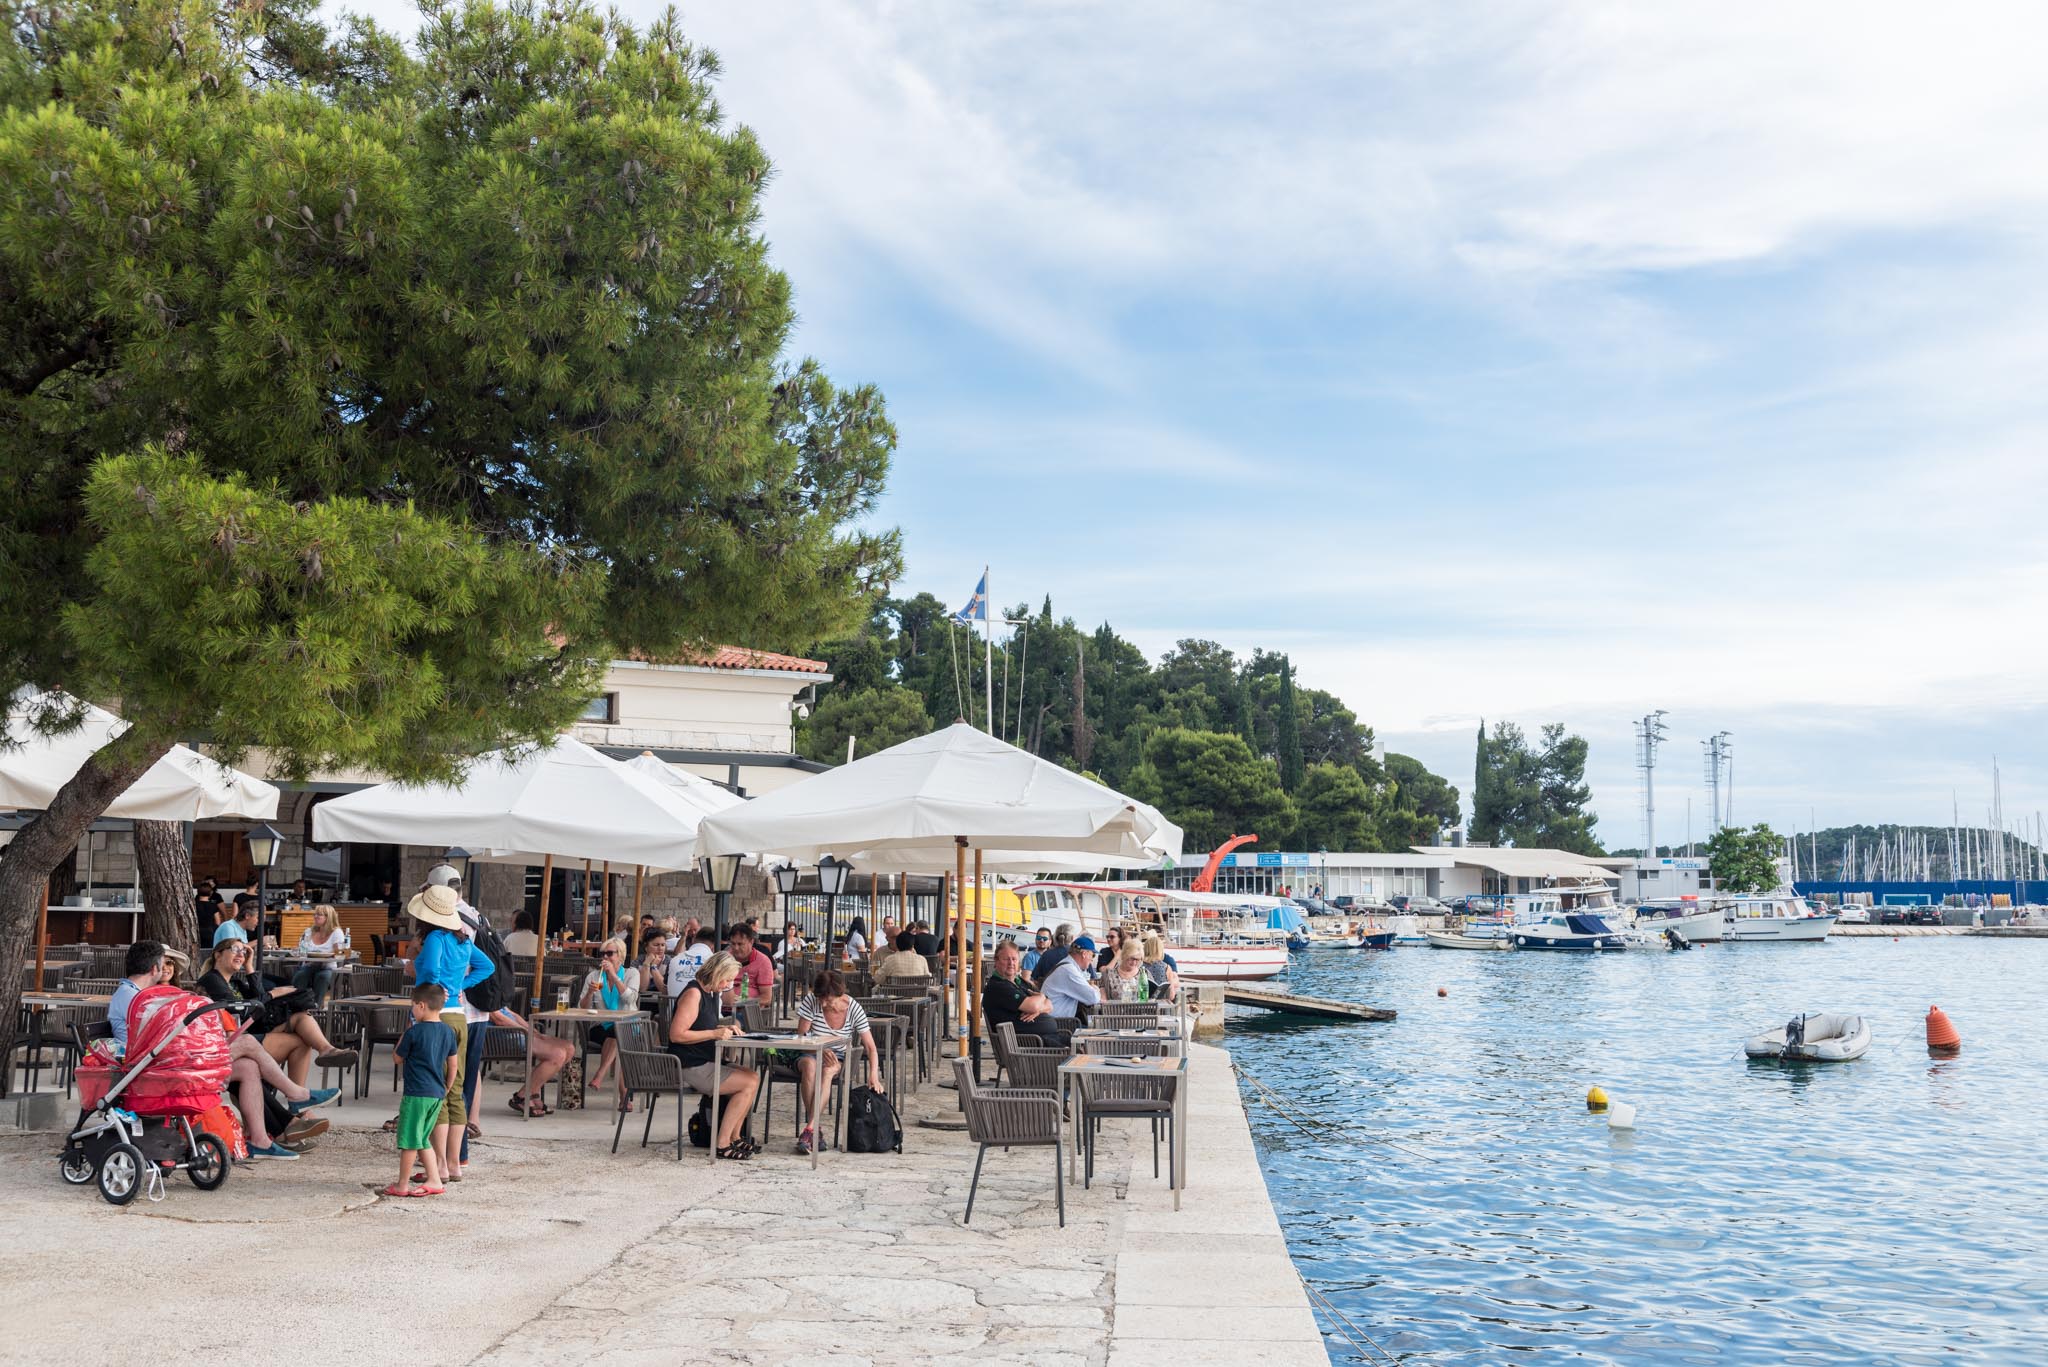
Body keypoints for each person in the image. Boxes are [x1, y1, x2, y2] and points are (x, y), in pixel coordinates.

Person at [409, 884, 494, 1183]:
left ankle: (441, 1166)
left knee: (436, 1091)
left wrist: (434, 992)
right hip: (459, 1017)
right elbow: (488, 966)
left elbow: (430, 972)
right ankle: (455, 1163)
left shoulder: (435, 938)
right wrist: (461, 986)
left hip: (436, 1015)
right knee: (455, 1091)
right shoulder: (462, 940)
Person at [198, 939, 358, 1083]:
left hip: (249, 1029)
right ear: (218, 955)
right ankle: (299, 1102)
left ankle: (326, 1050)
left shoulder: (235, 983)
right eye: (235, 949)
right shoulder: (212, 979)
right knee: (300, 1042)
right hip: (235, 1039)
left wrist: (249, 967)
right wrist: (273, 994)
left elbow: (257, 998)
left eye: (244, 951)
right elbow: (237, 1008)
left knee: (300, 1017)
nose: (241, 954)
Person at [666, 952, 760, 1158]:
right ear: (716, 974)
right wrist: (714, 1033)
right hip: (690, 1064)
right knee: (747, 1083)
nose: (727, 985)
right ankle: (722, 1143)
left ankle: (735, 1137)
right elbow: (676, 1034)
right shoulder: (694, 994)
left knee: (752, 1076)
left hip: (704, 1059)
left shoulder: (709, 992)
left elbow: (702, 1024)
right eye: (726, 979)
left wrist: (726, 1027)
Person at [792, 969, 883, 1156]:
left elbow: (871, 1047)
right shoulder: (812, 1001)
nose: (823, 1003)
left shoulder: (854, 1008)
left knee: (828, 1070)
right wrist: (819, 1047)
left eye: (828, 999)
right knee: (810, 1065)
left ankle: (810, 1128)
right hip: (811, 1052)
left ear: (840, 995)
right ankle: (813, 1130)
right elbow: (801, 1038)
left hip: (839, 1057)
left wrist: (874, 1074)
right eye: (821, 999)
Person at [389, 984, 458, 1197]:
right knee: (422, 1138)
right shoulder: (448, 1031)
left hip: (416, 1093)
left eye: (413, 1007)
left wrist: (406, 1032)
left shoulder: (414, 1032)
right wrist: (447, 1087)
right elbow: (453, 1064)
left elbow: (397, 1058)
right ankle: (435, 1180)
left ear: (421, 1005)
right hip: (437, 1093)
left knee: (410, 1140)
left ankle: (401, 1185)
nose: (412, 1011)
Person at [581, 937, 640, 1105]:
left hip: (629, 1026)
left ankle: (601, 1073)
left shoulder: (631, 973)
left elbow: (630, 999)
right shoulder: (594, 976)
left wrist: (614, 976)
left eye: (609, 953)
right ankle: (624, 1097)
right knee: (617, 1035)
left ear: (620, 956)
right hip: (600, 1026)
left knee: (618, 1032)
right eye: (603, 954)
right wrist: (589, 994)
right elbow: (583, 1006)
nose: (605, 957)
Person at [981, 939, 1065, 1046]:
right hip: (1026, 1047)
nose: (1011, 963)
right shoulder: (998, 986)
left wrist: (1038, 1010)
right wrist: (1041, 996)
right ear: (996, 961)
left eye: (1014, 959)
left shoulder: (1019, 981)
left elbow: (1049, 1005)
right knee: (1080, 1050)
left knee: (1082, 1043)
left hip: (1042, 1040)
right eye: (1006, 959)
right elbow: (1034, 1005)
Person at [499, 1004, 575, 1117]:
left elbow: (511, 1014)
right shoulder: (479, 990)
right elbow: (499, 1019)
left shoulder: (492, 989)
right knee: (558, 1055)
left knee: (569, 1048)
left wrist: (533, 1030)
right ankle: (524, 1096)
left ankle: (530, 1092)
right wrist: (526, 1031)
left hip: (519, 1032)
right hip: (503, 1035)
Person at [291, 904, 351, 1002]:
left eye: (319, 915)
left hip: (328, 967)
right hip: (310, 965)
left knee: (322, 977)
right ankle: (296, 1006)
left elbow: (339, 954)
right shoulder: (309, 931)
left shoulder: (336, 932)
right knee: (300, 976)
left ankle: (316, 1007)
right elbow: (301, 949)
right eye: (315, 914)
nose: (315, 917)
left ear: (328, 917)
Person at [1041, 935, 1101, 1020]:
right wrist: (1096, 989)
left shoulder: (1068, 965)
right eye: (1093, 955)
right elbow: (1093, 998)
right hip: (1058, 1025)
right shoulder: (1069, 970)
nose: (1092, 960)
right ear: (1084, 954)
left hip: (1055, 1021)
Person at [723, 924, 775, 1009]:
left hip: (748, 1012)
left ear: (751, 942)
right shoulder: (725, 959)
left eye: (740, 944)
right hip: (723, 1007)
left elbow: (767, 998)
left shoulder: (763, 962)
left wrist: (743, 1002)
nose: (736, 948)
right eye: (733, 943)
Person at [667, 927, 715, 1000]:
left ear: (693, 940)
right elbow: (728, 1001)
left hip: (674, 1009)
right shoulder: (716, 961)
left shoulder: (675, 959)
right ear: (713, 946)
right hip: (704, 1010)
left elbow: (666, 989)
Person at [1031, 924, 1077, 990]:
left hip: (1049, 996)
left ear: (1055, 937)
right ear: (1072, 938)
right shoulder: (1077, 954)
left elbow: (1035, 980)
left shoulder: (1046, 955)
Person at [1141, 932, 1180, 1003]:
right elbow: (1171, 995)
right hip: (1161, 1007)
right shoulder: (1166, 967)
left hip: (1141, 1005)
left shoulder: (1139, 965)